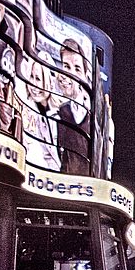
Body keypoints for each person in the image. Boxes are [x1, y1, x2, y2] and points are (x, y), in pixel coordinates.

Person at [54, 38, 91, 175]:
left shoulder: (93, 116)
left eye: (77, 68)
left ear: (85, 77)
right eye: (66, 66)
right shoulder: (61, 112)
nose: (70, 74)